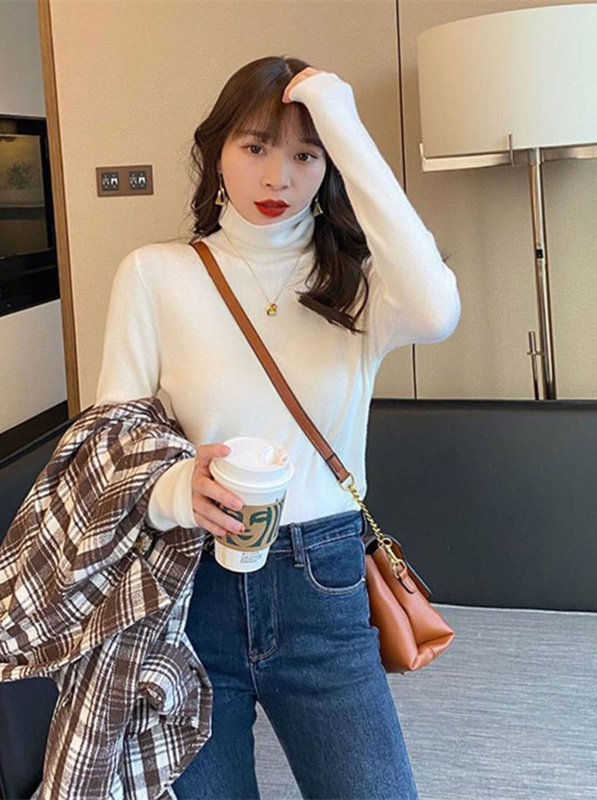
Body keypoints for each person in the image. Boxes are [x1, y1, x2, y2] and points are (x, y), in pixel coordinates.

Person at [95, 55, 460, 800]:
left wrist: (342, 120)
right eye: (255, 147)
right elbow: (112, 440)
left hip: (322, 582)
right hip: (189, 583)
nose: (278, 178)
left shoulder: (357, 283)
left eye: (305, 155)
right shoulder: (154, 274)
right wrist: (177, 489)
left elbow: (437, 310)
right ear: (217, 153)